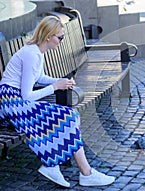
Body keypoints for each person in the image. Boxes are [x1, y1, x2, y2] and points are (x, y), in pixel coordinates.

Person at [0, 16, 115, 187]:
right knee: (68, 116)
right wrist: (55, 86)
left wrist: (61, 81)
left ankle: (65, 168)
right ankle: (72, 169)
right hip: (11, 101)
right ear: (48, 36)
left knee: (71, 116)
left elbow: (38, 77)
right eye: (60, 37)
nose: (61, 41)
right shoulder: (32, 54)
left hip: (15, 99)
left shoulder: (37, 51)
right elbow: (27, 96)